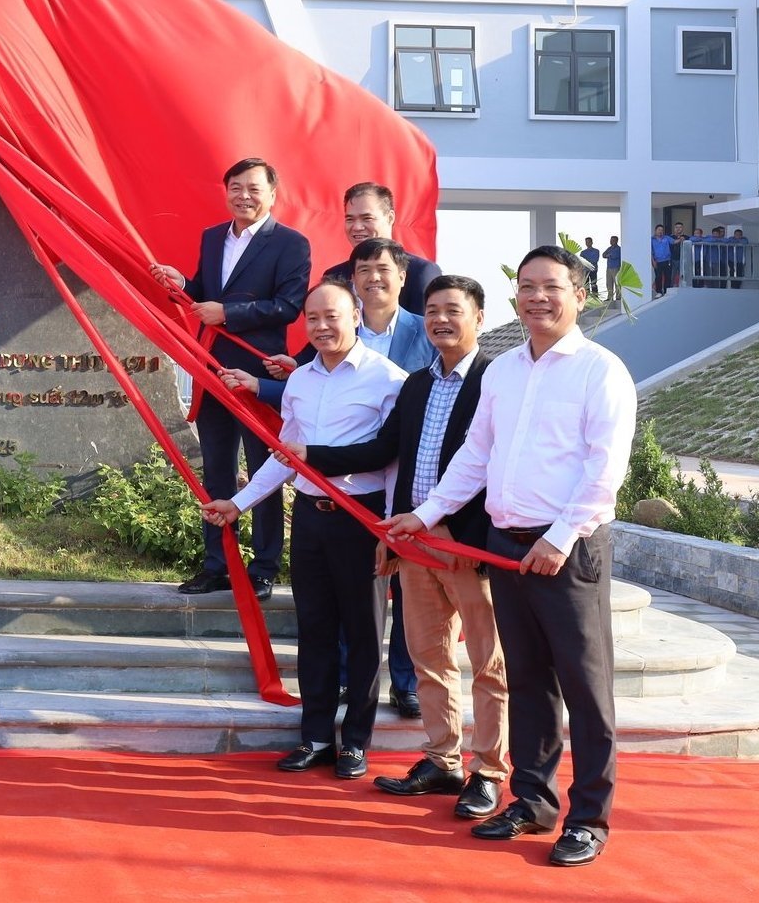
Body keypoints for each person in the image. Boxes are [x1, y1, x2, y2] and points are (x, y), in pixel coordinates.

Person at [382, 247, 636, 868]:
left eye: (552, 287)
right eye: (527, 287)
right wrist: (427, 512)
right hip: (505, 547)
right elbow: (474, 457)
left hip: (566, 553)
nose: (537, 298)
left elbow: (606, 470)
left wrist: (560, 537)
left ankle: (589, 819)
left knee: (585, 687)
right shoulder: (503, 372)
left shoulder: (601, 371)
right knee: (526, 682)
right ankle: (532, 801)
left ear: (579, 294)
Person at [294, 274, 508, 821]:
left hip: (471, 544)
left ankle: (488, 771)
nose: (440, 319)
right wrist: (307, 456)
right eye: (433, 309)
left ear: (479, 317)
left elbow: (499, 465)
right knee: (428, 655)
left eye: (453, 310)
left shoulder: (497, 380)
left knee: (489, 664)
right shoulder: (415, 384)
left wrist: (476, 538)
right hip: (415, 540)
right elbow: (386, 452)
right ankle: (442, 759)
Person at [201, 281, 405, 779]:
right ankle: (314, 736)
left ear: (356, 315)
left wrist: (391, 530)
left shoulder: (389, 379)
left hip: (363, 518)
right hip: (312, 520)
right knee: (313, 630)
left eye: (331, 316)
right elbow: (286, 457)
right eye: (312, 318)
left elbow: (395, 462)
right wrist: (238, 504)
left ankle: (355, 742)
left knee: (362, 635)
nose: (321, 327)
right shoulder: (301, 381)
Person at [149, 157, 311, 601]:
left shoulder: (291, 244)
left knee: (263, 471)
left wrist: (230, 314)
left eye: (254, 188)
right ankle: (218, 564)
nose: (244, 196)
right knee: (216, 472)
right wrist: (183, 282)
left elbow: (290, 305)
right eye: (236, 187)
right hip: (212, 368)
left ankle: (263, 568)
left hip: (258, 373)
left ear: (273, 193)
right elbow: (206, 294)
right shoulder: (212, 237)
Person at [319, 182, 442, 313]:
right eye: (350, 219)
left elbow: (426, 329)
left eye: (367, 218)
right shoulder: (335, 276)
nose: (357, 227)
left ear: (390, 218)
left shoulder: (421, 272)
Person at [649, 224, 672, 297]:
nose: (660, 231)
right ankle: (658, 291)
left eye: (662, 230)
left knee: (668, 277)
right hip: (657, 261)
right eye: (659, 230)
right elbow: (650, 252)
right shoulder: (651, 240)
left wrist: (681, 239)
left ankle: (666, 291)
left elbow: (674, 242)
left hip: (667, 260)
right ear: (655, 231)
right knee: (658, 277)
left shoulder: (666, 238)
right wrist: (653, 261)